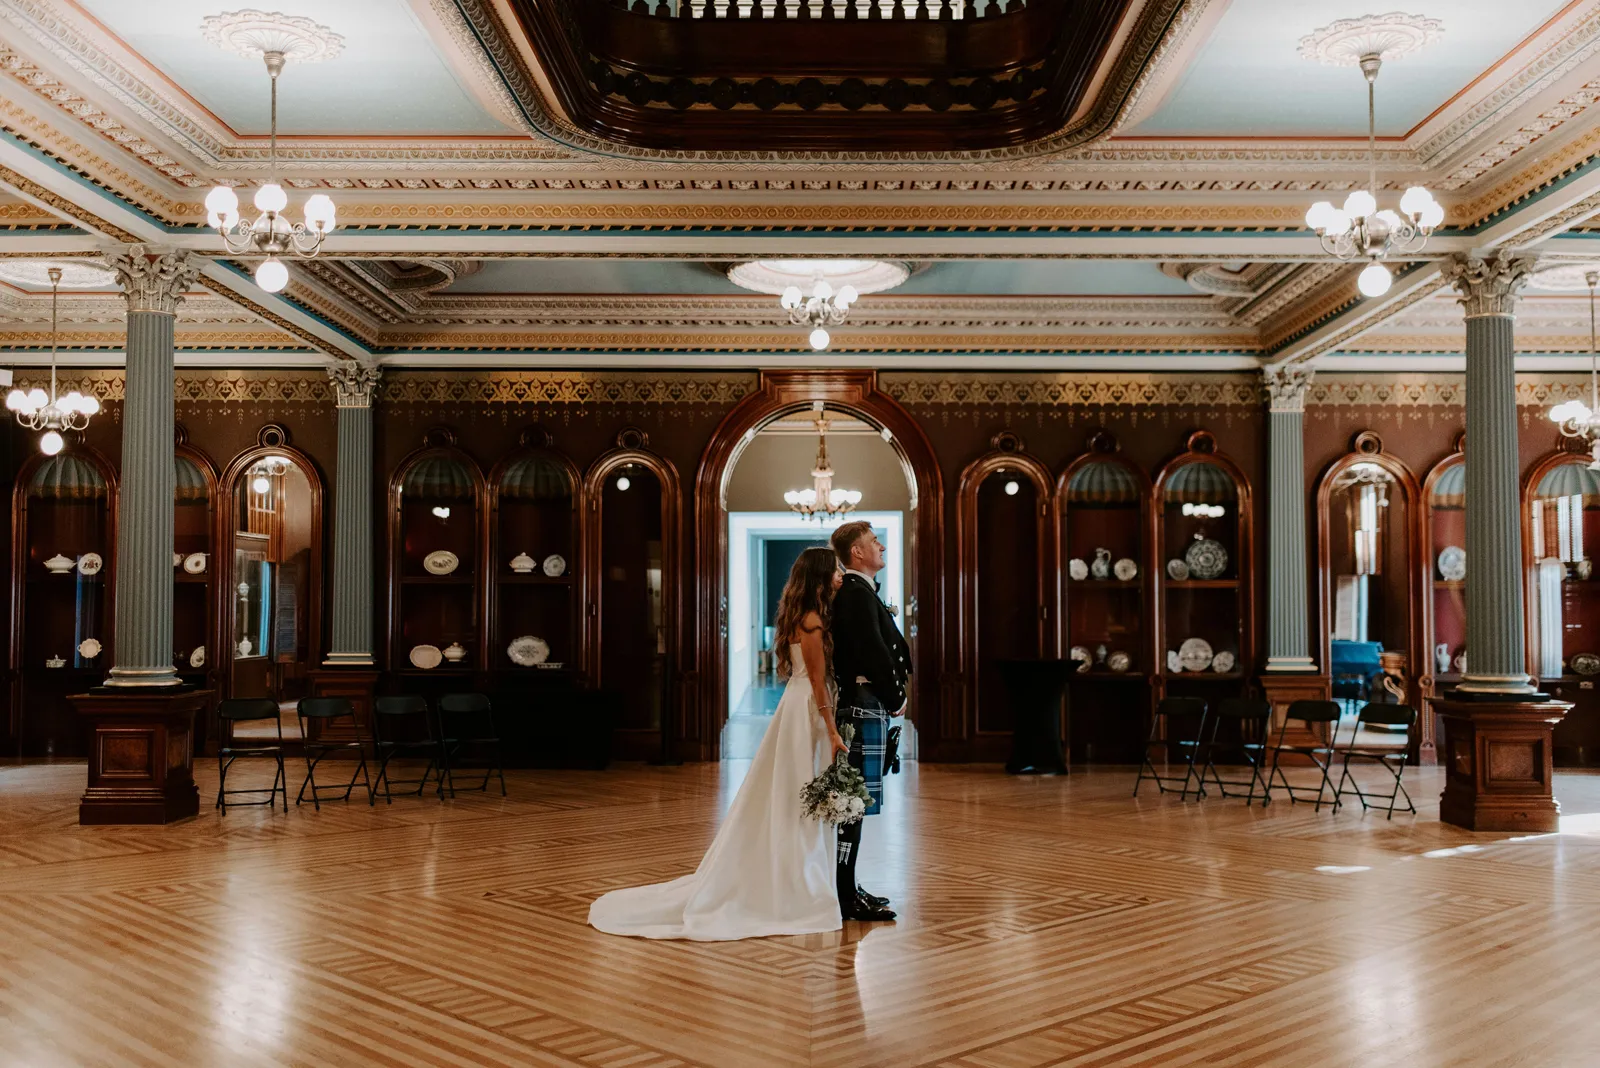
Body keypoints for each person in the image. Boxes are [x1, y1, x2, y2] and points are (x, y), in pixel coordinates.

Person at [588, 547, 850, 940]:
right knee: (802, 787)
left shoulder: (805, 615)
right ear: (820, 575)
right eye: (836, 571)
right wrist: (831, 730)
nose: (840, 577)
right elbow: (816, 680)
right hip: (810, 708)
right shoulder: (812, 620)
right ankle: (796, 879)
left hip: (800, 706)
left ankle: (796, 869)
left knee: (796, 788)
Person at [829, 519, 911, 923]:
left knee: (856, 803)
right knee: (852, 804)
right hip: (865, 703)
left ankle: (849, 888)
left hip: (867, 702)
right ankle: (845, 897)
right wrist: (896, 696)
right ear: (857, 552)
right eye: (874, 542)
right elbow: (874, 651)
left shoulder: (861, 591)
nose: (881, 547)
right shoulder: (856, 593)